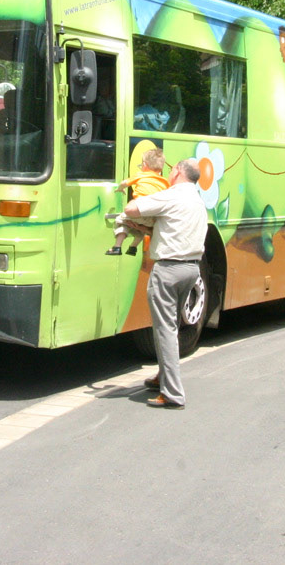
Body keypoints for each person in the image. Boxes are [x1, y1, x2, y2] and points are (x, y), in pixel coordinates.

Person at [124, 158, 207, 410]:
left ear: (178, 172)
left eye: (172, 170)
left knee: (165, 330)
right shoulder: (197, 200)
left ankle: (173, 394)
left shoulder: (172, 195)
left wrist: (140, 187)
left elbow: (131, 208)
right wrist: (150, 229)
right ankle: (162, 376)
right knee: (172, 326)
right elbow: (174, 231)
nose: (169, 174)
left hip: (168, 270)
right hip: (191, 270)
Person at [106, 148, 168, 255]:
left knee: (121, 221)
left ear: (144, 165)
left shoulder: (141, 175)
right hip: (153, 217)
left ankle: (117, 247)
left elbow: (125, 183)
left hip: (139, 211)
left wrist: (120, 188)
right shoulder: (165, 182)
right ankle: (133, 247)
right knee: (141, 228)